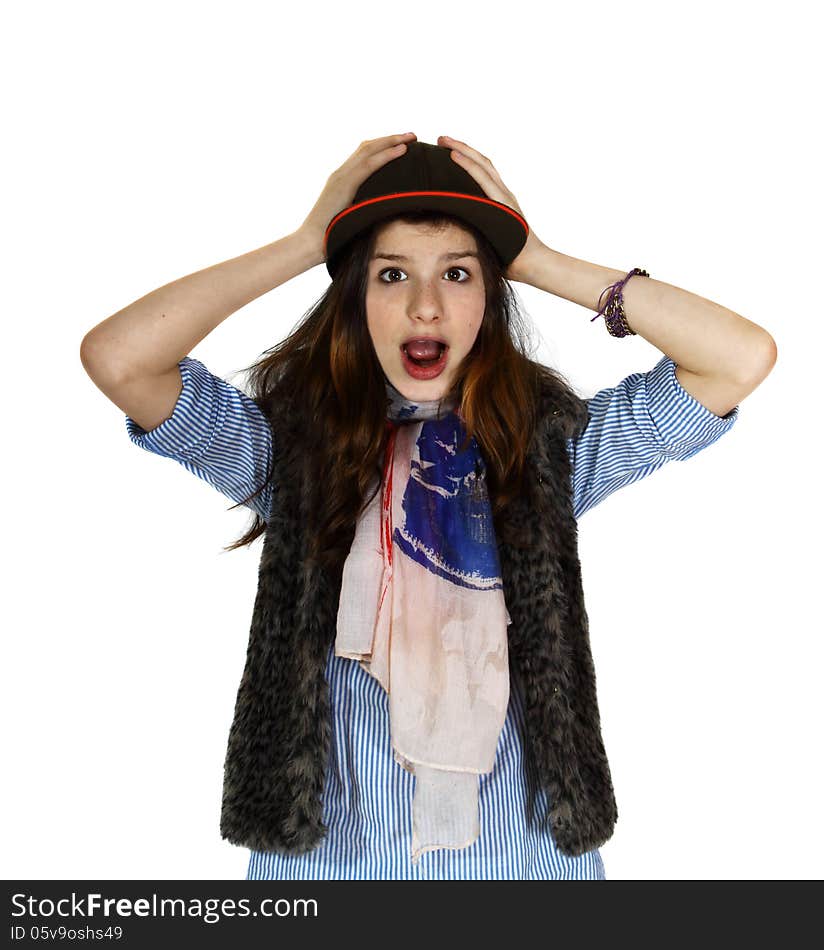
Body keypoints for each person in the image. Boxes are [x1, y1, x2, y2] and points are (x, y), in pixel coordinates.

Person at [80, 132, 776, 881]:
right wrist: (301, 246)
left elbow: (739, 357)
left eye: (457, 273)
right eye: (389, 275)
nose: (424, 306)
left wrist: (537, 258)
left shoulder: (545, 455)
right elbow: (120, 358)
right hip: (331, 873)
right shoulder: (295, 455)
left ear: (489, 294)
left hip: (524, 871)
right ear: (357, 298)